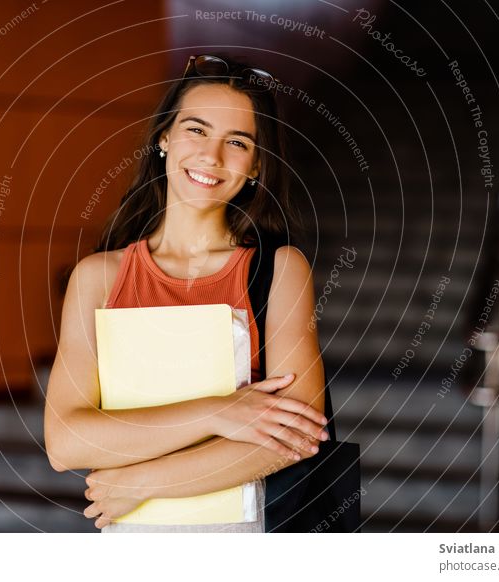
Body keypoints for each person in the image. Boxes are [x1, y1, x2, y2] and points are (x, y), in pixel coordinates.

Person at [43, 54, 328, 532]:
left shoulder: (278, 269)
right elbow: (66, 441)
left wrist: (142, 482)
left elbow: (297, 435)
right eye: (196, 130)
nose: (211, 157)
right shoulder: (97, 278)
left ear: (256, 164)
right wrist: (219, 412)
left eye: (236, 142)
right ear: (164, 137)